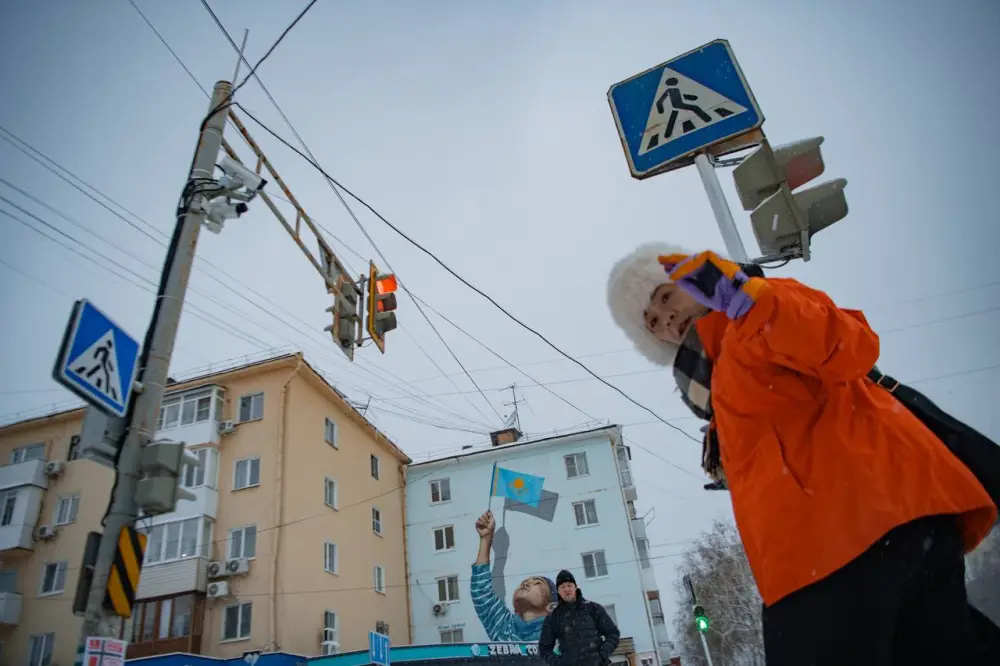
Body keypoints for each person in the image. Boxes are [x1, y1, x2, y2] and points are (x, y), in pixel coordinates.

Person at [606, 243, 999, 665]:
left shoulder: (754, 311)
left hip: (841, 542)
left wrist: (750, 303)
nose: (665, 317)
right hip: (881, 533)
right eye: (651, 321)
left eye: (665, 296)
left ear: (693, 279)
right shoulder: (715, 379)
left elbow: (850, 344)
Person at [471, 509, 556, 642]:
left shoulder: (560, 633)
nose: (526, 584)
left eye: (538, 583)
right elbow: (481, 593)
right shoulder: (506, 629)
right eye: (524, 582)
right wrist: (486, 539)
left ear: (551, 604)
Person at [538, 569, 620, 666]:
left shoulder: (593, 608)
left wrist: (602, 654)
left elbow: (613, 634)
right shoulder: (553, 617)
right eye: (562, 587)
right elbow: (544, 649)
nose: (566, 589)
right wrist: (559, 663)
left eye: (569, 585)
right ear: (558, 591)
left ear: (575, 587)